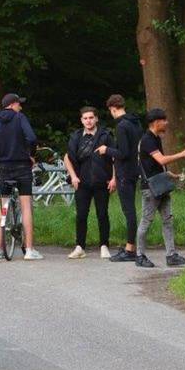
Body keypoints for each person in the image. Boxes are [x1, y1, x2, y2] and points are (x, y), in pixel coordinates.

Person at [135, 108, 185, 268]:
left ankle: (171, 255)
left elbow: (156, 165)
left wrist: (170, 175)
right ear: (156, 122)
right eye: (164, 120)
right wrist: (181, 154)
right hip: (150, 189)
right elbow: (160, 160)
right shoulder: (147, 140)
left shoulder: (156, 138)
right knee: (146, 221)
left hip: (161, 185)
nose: (167, 122)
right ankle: (139, 255)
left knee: (168, 220)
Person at [0, 93, 42, 260]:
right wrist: (31, 154)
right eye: (19, 104)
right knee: (26, 206)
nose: (21, 107)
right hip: (22, 167)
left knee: (2, 206)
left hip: (4, 168)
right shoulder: (19, 118)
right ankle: (30, 250)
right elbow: (32, 138)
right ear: (12, 104)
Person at [63, 107, 115, 259]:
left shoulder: (105, 135)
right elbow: (67, 158)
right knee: (81, 215)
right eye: (85, 118)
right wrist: (73, 176)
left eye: (91, 117)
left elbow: (114, 158)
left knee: (102, 214)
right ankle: (80, 247)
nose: (88, 121)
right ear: (81, 120)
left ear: (96, 119)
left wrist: (114, 178)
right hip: (82, 182)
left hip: (102, 181)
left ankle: (104, 246)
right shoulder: (76, 137)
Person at [106, 95, 141, 263]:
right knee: (131, 210)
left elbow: (123, 153)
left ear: (113, 108)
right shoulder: (135, 123)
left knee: (129, 211)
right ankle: (131, 247)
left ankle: (130, 249)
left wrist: (107, 150)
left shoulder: (121, 126)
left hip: (125, 173)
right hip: (134, 170)